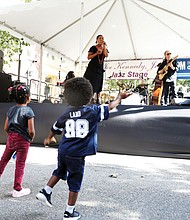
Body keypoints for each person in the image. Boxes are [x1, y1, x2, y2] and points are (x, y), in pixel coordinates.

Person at [36, 77, 132, 219]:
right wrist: (120, 97)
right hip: (77, 154)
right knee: (75, 182)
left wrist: (49, 137)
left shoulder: (66, 113)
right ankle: (69, 212)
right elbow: (111, 106)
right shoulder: (92, 111)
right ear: (89, 95)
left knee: (60, 170)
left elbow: (55, 126)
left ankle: (45, 191)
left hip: (63, 150)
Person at [0, 83, 35, 197]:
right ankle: (17, 189)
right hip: (23, 140)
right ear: (28, 97)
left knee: (3, 160)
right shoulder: (28, 111)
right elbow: (31, 130)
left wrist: (11, 135)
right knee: (20, 164)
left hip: (11, 137)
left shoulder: (11, 110)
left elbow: (6, 127)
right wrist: (30, 138)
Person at [84, 34, 108, 104]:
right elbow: (88, 57)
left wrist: (104, 47)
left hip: (100, 68)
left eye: (102, 38)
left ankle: (98, 99)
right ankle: (90, 99)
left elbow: (106, 55)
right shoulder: (93, 48)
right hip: (92, 67)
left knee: (99, 83)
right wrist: (96, 53)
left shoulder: (104, 48)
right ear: (97, 40)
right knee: (92, 82)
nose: (101, 39)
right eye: (100, 38)